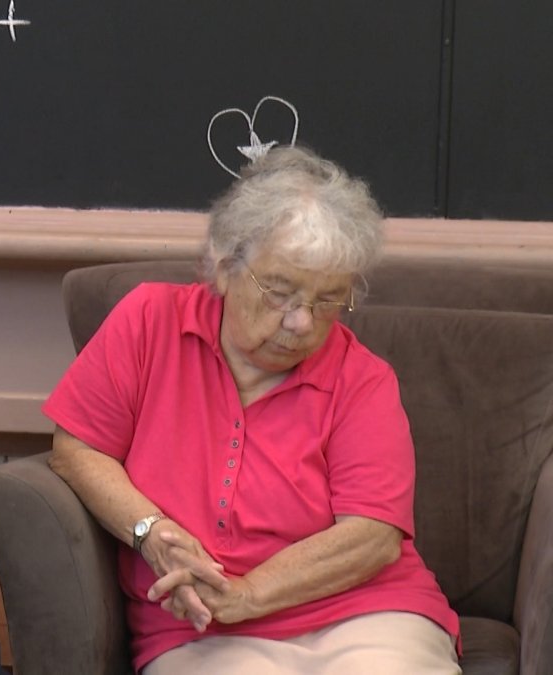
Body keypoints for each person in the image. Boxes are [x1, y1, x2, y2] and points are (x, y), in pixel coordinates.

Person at [45, 146, 461, 674]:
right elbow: (77, 448)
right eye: (281, 293)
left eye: (328, 300)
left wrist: (248, 593)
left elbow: (373, 537)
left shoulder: (363, 379)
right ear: (224, 265)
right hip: (196, 626)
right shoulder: (149, 321)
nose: (302, 323)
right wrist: (152, 534)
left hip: (365, 614)